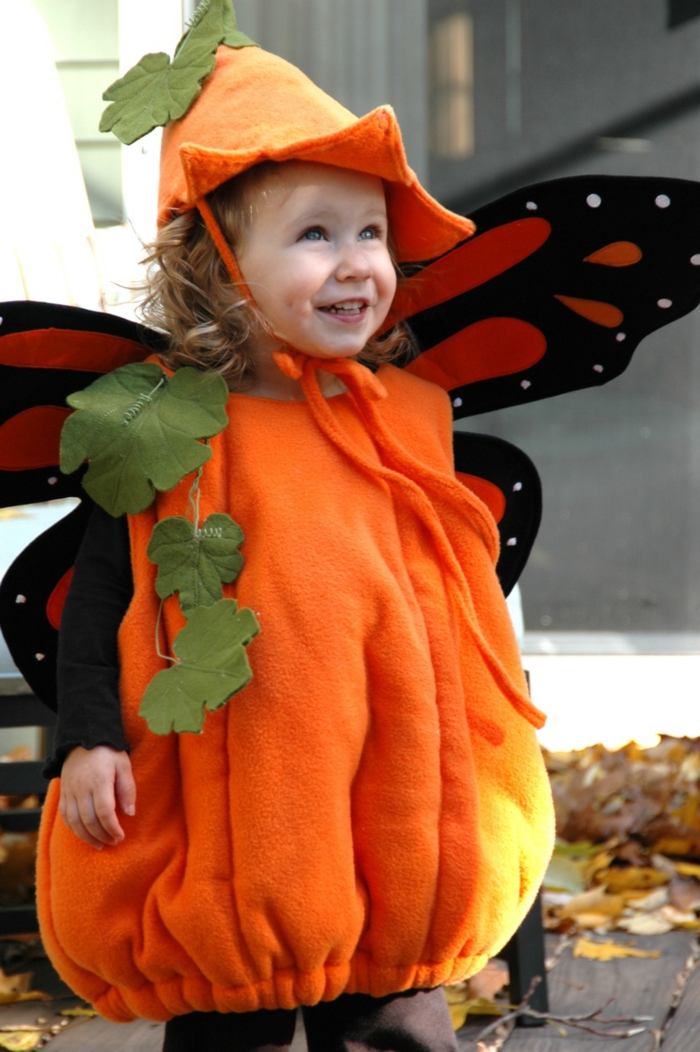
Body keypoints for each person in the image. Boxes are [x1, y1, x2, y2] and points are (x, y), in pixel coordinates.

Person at [36, 11, 555, 1052]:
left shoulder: (402, 417)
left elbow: (446, 593)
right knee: (244, 1021)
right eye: (314, 234)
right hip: (241, 810)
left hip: (395, 795)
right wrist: (87, 735)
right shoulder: (165, 423)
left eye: (371, 233)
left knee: (392, 1014)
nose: (357, 261)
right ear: (221, 267)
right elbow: (101, 593)